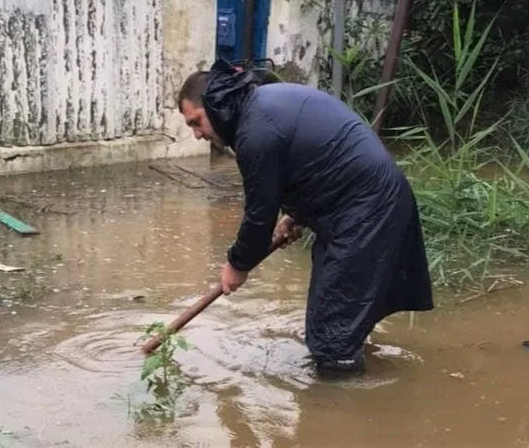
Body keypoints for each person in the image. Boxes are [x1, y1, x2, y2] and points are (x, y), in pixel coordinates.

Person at [177, 59, 434, 376]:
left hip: (367, 211)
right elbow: (310, 165)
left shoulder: (255, 131)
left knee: (331, 338)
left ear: (215, 103)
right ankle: (350, 380)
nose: (197, 134)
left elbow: (259, 215)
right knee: (332, 318)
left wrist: (237, 264)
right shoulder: (260, 109)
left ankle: (340, 411)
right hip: (358, 207)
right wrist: (295, 214)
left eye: (196, 122)